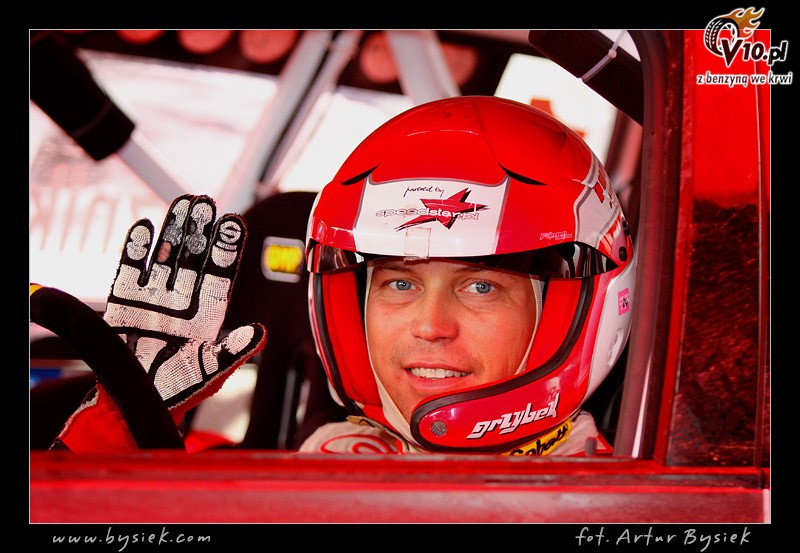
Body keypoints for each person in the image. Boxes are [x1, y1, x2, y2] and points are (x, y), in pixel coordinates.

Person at [35, 96, 635, 457]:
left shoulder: (613, 501)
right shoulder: (329, 463)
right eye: (400, 283)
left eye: (481, 286)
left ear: (576, 312)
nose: (430, 326)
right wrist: (124, 425)